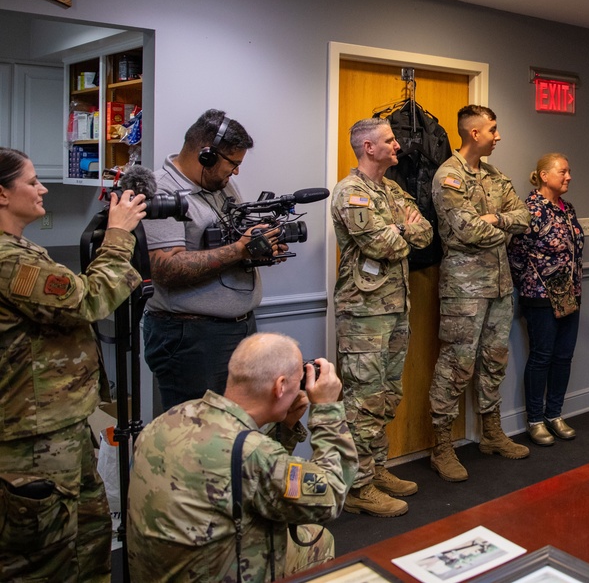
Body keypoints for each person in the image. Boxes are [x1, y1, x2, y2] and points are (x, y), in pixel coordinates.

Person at [0, 147, 147, 581]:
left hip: (57, 426)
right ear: (2, 194)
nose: (41, 187)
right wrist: (118, 235)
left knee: (87, 541)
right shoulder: (8, 260)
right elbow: (87, 301)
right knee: (46, 558)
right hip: (32, 443)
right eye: (31, 181)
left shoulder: (20, 249)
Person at [127, 332, 358, 582]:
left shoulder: (170, 419)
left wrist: (285, 427)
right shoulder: (255, 454)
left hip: (161, 571)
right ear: (280, 387)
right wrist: (327, 409)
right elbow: (332, 493)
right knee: (319, 541)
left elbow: (244, 468)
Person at [142, 109, 283, 412]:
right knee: (196, 435)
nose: (236, 173)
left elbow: (235, 241)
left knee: (236, 428)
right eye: (232, 163)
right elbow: (166, 268)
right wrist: (240, 250)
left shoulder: (220, 186)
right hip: (191, 337)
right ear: (206, 155)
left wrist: (261, 248)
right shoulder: (160, 191)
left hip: (238, 327)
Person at [330, 118, 432, 517]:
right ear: (368, 147)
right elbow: (379, 243)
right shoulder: (350, 192)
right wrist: (401, 231)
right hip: (363, 314)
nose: (397, 146)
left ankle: (375, 469)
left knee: (388, 396)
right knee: (362, 400)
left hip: (395, 308)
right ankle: (357, 488)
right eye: (389, 140)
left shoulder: (393, 190)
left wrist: (402, 231)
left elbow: (424, 233)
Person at [428, 104, 531, 482]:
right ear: (474, 133)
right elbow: (467, 231)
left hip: (500, 285)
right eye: (493, 129)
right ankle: (441, 445)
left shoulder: (493, 175)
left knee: (494, 360)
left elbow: (524, 217)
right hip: (464, 290)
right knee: (457, 365)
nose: (498, 136)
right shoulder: (448, 177)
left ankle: (491, 433)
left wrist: (497, 220)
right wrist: (501, 228)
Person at [508, 154, 584, 447]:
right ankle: (535, 420)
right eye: (563, 171)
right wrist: (528, 286)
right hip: (539, 297)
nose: (568, 176)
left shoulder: (567, 209)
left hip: (571, 295)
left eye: (568, 171)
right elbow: (516, 254)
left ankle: (555, 414)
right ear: (543, 175)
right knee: (542, 356)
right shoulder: (530, 210)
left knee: (564, 356)